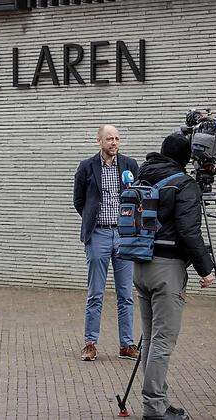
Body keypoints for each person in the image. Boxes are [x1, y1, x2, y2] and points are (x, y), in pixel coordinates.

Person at [133, 133, 215, 420]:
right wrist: (207, 270)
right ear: (187, 159)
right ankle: (153, 408)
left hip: (140, 265)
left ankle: (159, 401)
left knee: (150, 339)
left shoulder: (143, 176)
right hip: (167, 270)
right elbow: (189, 232)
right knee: (163, 341)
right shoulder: (184, 184)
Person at [73, 124, 140, 362]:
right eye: (109, 139)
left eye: (117, 139)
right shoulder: (86, 167)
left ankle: (127, 345)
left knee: (126, 294)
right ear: (99, 141)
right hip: (98, 235)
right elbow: (79, 201)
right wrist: (94, 221)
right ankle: (90, 343)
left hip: (123, 236)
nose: (114, 143)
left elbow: (139, 196)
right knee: (95, 293)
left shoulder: (130, 165)